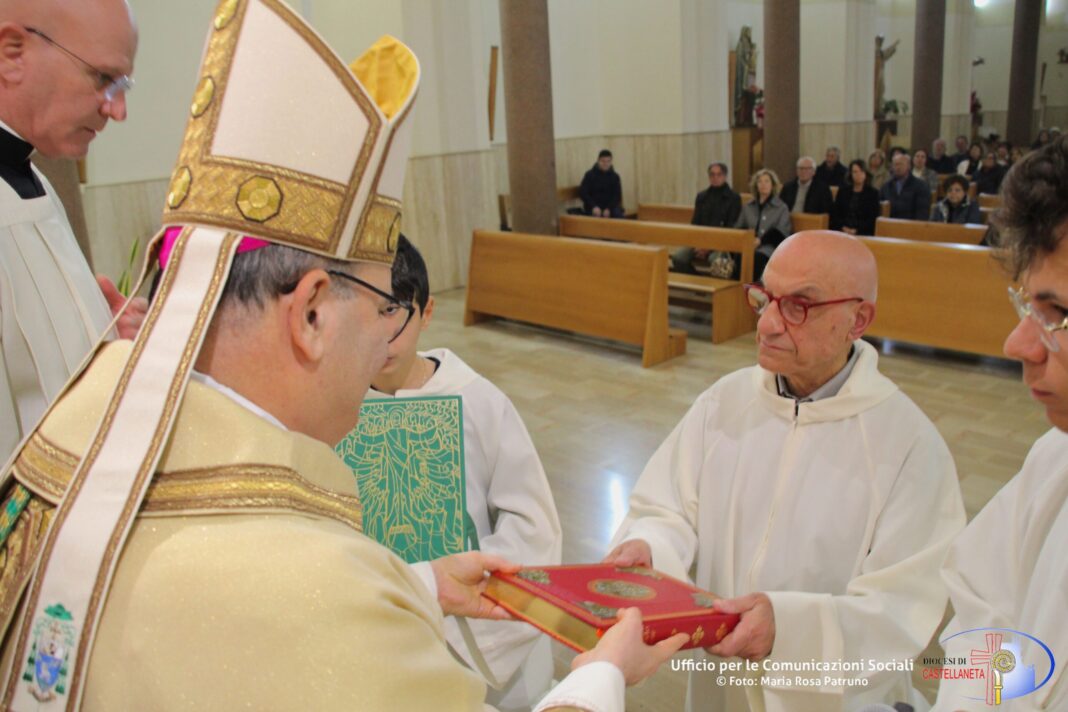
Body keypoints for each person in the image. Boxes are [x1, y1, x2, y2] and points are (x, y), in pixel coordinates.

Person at [0, 6, 685, 711]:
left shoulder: (76, 435)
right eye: (380, 304)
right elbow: (316, 611)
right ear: (313, 314)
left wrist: (419, 584)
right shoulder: (317, 582)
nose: (384, 345)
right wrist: (601, 675)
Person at [604, 230, 965, 712]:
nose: (768, 324)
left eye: (799, 306)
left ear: (858, 319)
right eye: (765, 298)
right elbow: (668, 507)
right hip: (721, 682)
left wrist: (789, 628)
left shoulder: (909, 447)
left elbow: (903, 607)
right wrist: (652, 549)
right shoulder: (724, 404)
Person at [366, 235, 563, 711]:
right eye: (364, 313)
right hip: (381, 623)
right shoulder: (333, 408)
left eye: (393, 310)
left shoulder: (477, 400)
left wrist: (460, 596)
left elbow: (533, 525)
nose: (380, 335)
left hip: (477, 630)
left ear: (426, 311)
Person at [934, 135, 1068, 712]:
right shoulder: (1052, 460)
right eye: (1028, 307)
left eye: (1057, 313)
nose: (1018, 344)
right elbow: (983, 601)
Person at [0, 0, 147, 463]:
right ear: (12, 53)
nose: (117, 110)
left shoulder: (38, 179)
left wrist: (98, 338)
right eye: (104, 78)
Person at [671, 162, 742, 275]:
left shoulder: (734, 198)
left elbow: (730, 227)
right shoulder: (702, 197)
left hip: (722, 243)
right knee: (679, 257)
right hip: (699, 241)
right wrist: (698, 244)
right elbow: (695, 223)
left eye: (719, 174)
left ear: (725, 176)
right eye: (712, 175)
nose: (715, 177)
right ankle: (696, 281)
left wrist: (709, 247)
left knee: (717, 261)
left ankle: (717, 288)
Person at [734, 168, 791, 279]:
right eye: (759, 181)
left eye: (766, 181)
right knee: (739, 256)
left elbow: (782, 232)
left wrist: (760, 241)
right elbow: (739, 227)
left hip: (769, 248)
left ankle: (753, 290)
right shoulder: (748, 206)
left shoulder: (781, 207)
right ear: (756, 185)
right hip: (748, 245)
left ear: (772, 185)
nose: (763, 184)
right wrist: (749, 240)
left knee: (756, 257)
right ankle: (737, 291)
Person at [830, 159, 881, 235]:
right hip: (842, 231)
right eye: (855, 172)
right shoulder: (843, 192)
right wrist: (843, 228)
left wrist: (856, 231)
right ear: (850, 174)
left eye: (861, 171)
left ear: (865, 173)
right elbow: (836, 215)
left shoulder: (873, 194)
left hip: (863, 233)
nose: (858, 175)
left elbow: (872, 219)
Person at [880, 152, 931, 220]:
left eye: (901, 164)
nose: (897, 167)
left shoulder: (921, 186)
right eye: (895, 165)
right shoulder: (886, 187)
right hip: (890, 225)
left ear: (908, 166)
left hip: (911, 225)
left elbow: (922, 213)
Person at [580, 149, 623, 218]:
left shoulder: (615, 177)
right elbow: (583, 193)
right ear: (598, 161)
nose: (605, 164)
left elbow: (617, 196)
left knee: (618, 214)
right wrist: (594, 206)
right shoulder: (589, 175)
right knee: (594, 216)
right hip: (593, 207)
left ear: (611, 162)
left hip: (610, 207)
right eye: (603, 161)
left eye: (608, 161)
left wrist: (609, 208)